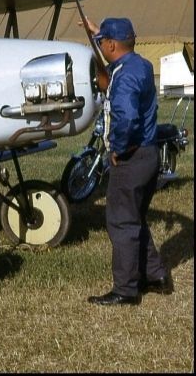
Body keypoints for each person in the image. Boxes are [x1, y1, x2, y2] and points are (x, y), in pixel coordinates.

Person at [83, 17, 172, 306]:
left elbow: (127, 117)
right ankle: (156, 275)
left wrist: (118, 149)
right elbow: (116, 52)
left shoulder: (124, 77)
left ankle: (126, 290)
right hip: (149, 154)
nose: (100, 46)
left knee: (121, 222)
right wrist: (98, 32)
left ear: (112, 45)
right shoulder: (140, 65)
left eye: (102, 42)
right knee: (135, 219)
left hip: (131, 158)